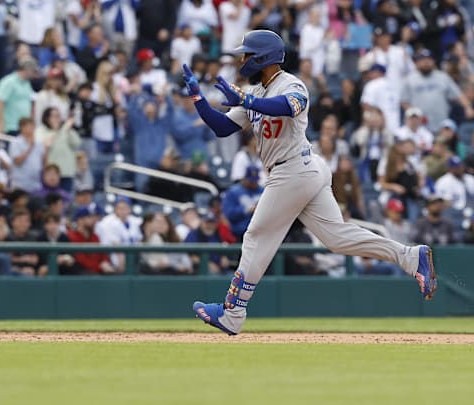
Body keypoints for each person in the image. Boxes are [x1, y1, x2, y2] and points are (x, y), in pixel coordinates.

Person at [182, 30, 437, 336]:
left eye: (247, 54)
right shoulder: (258, 93)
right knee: (337, 238)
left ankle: (233, 312)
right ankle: (410, 257)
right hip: (301, 170)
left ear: (263, 58)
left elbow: (290, 106)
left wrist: (245, 99)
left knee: (256, 237)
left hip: (294, 170)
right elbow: (223, 127)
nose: (242, 59)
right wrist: (198, 100)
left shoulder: (290, 83)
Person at [222, 165, 264, 240]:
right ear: (245, 178)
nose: (253, 183)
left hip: (259, 233)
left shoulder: (262, 191)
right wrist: (246, 210)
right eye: (251, 181)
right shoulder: (233, 192)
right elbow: (229, 214)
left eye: (255, 181)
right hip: (239, 233)